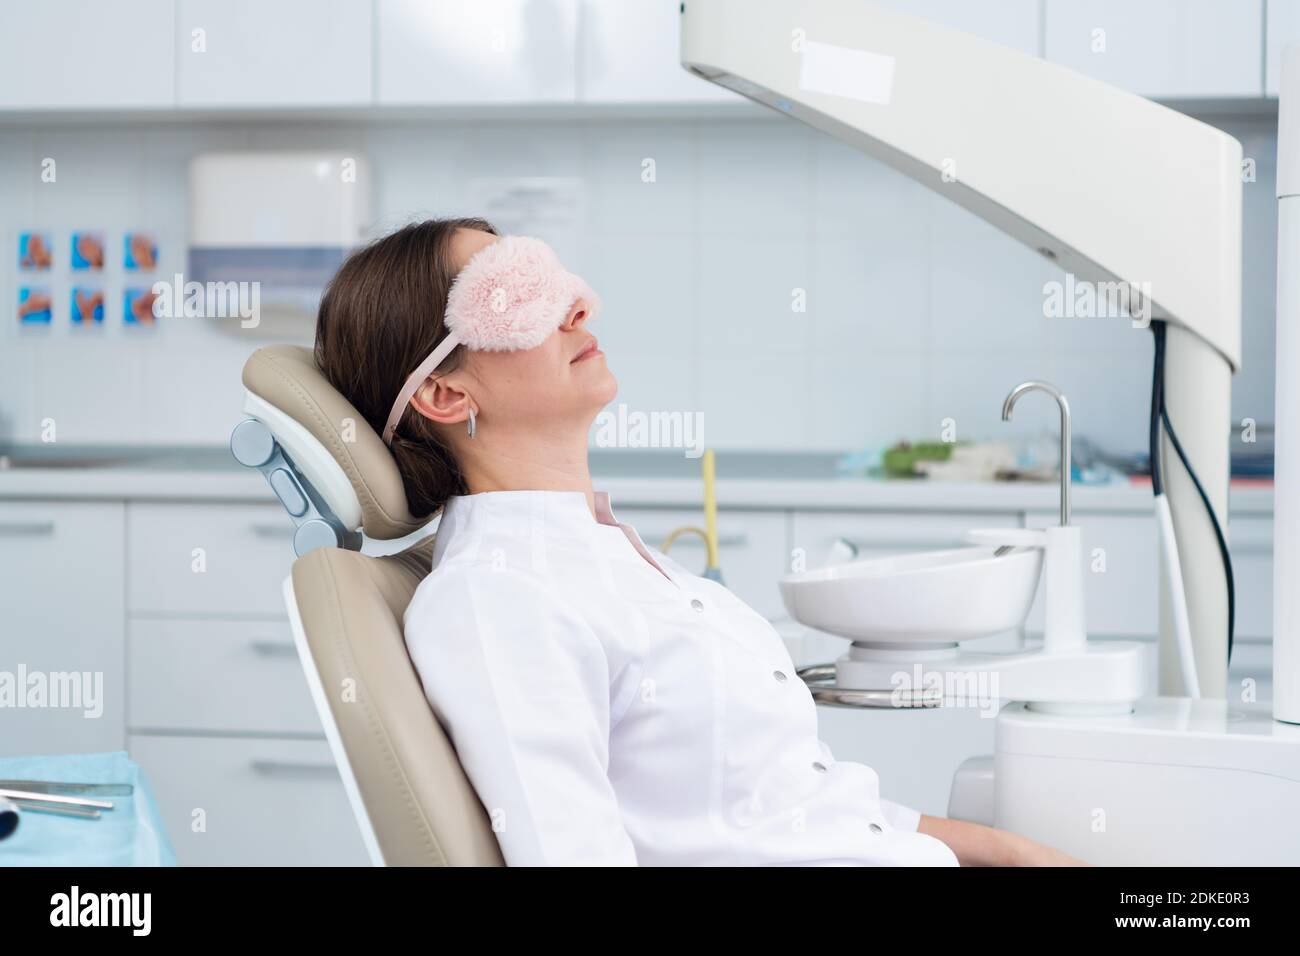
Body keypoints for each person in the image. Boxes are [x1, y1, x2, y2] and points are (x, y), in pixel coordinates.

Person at [314, 217, 1085, 867]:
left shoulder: (607, 556)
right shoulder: (498, 597)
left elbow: (789, 808)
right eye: (516, 294)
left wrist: (1007, 852)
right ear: (447, 394)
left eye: (553, 277)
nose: (579, 306)